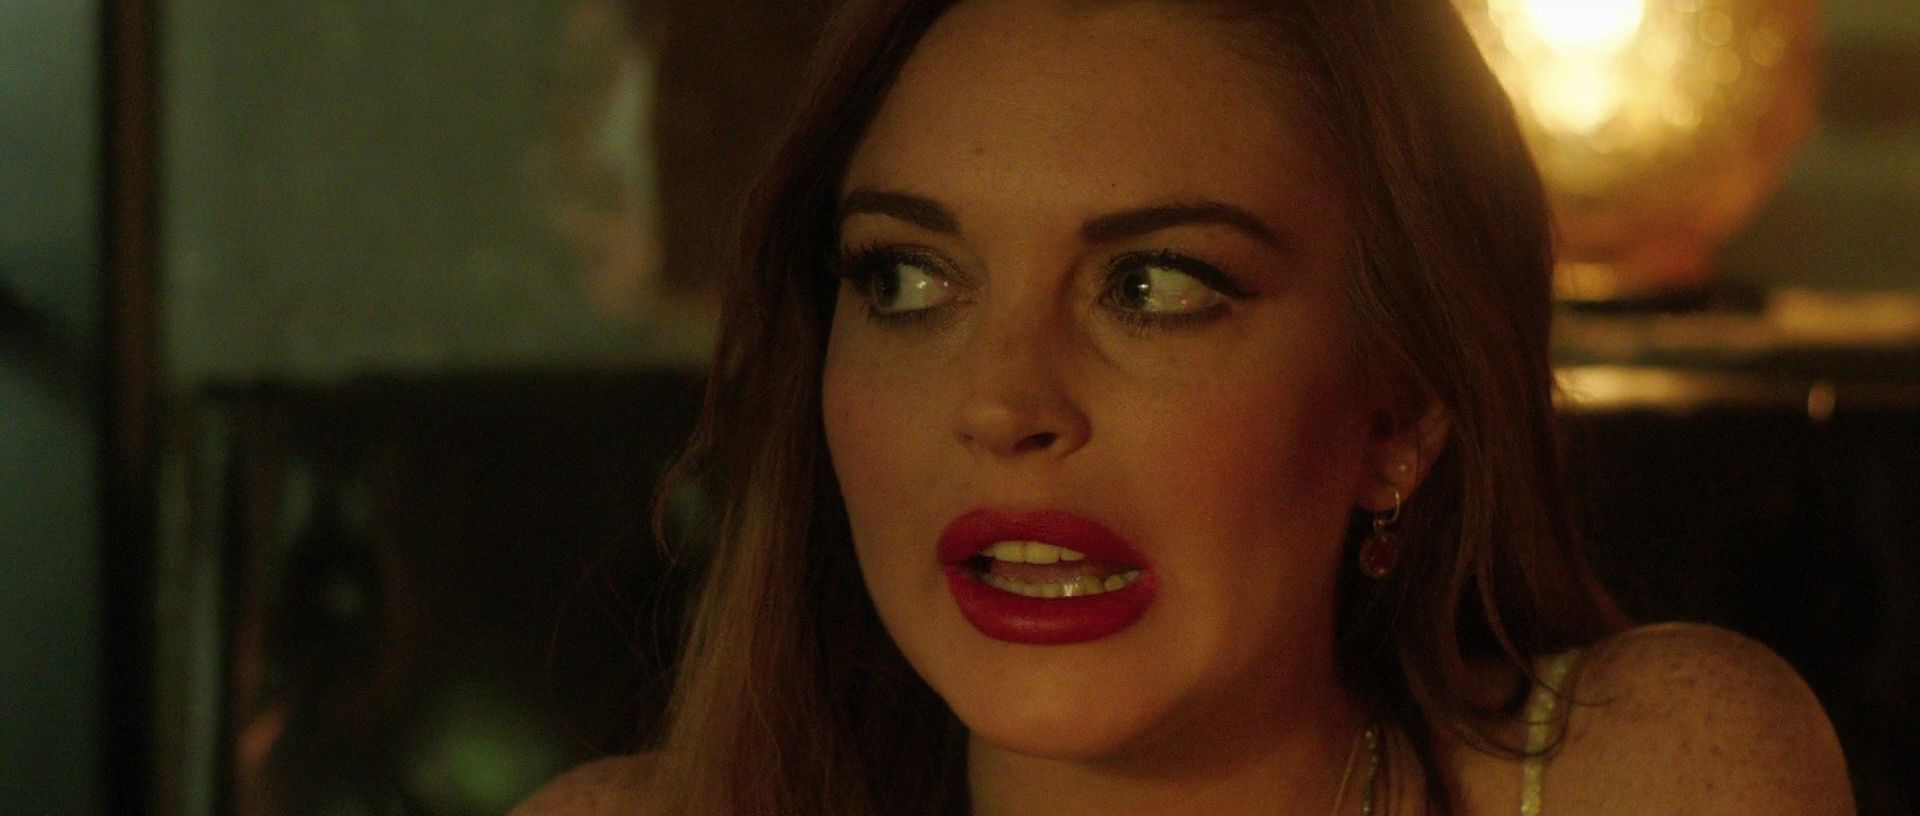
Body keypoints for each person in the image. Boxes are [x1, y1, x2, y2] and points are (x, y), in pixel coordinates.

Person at [516, 0, 1855, 813]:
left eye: (1153, 286)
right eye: (908, 279)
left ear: (1401, 416)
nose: (1003, 403)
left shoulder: (1657, 769)